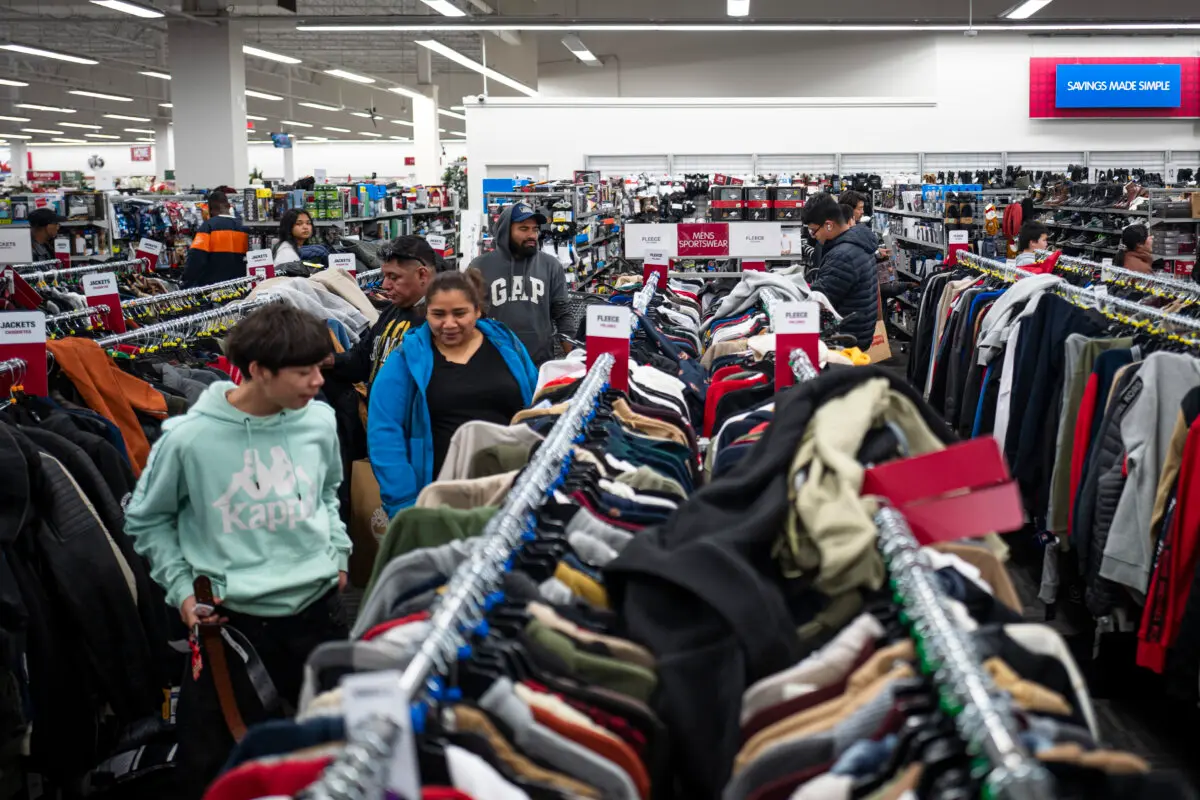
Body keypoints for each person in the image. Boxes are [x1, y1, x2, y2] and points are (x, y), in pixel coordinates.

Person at [124, 304, 351, 795]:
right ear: (258, 372)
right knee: (216, 767)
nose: (318, 380)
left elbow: (329, 493)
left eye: (319, 366)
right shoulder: (189, 438)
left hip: (318, 614)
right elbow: (147, 520)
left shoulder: (320, 422)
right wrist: (184, 594)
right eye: (304, 371)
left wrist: (337, 552)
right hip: (230, 627)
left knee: (338, 754)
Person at [368, 268, 537, 516]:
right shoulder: (407, 359)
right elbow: (384, 431)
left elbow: (535, 405)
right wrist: (404, 503)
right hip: (439, 500)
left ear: (478, 310)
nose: (449, 324)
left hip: (511, 491)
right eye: (438, 314)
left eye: (460, 313)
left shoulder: (506, 345)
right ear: (426, 313)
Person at [467, 202, 572, 366]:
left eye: (535, 229)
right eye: (524, 229)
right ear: (505, 232)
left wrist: (574, 360)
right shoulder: (479, 266)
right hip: (493, 363)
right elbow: (468, 316)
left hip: (539, 364)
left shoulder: (551, 265)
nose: (532, 235)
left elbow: (563, 314)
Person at [326, 235, 434, 386]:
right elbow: (362, 359)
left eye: (393, 277)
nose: (384, 285)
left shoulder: (441, 322)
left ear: (422, 274)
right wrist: (326, 361)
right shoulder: (393, 310)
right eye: (385, 276)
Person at [802, 192, 880, 349]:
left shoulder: (842, 256)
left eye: (813, 230)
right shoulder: (858, 241)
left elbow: (818, 301)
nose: (813, 236)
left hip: (844, 340)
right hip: (858, 335)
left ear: (829, 225)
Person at [181, 190, 250, 287]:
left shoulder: (208, 227)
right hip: (241, 286)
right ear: (229, 206)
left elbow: (196, 257)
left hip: (213, 288)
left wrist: (186, 281)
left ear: (210, 209)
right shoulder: (244, 227)